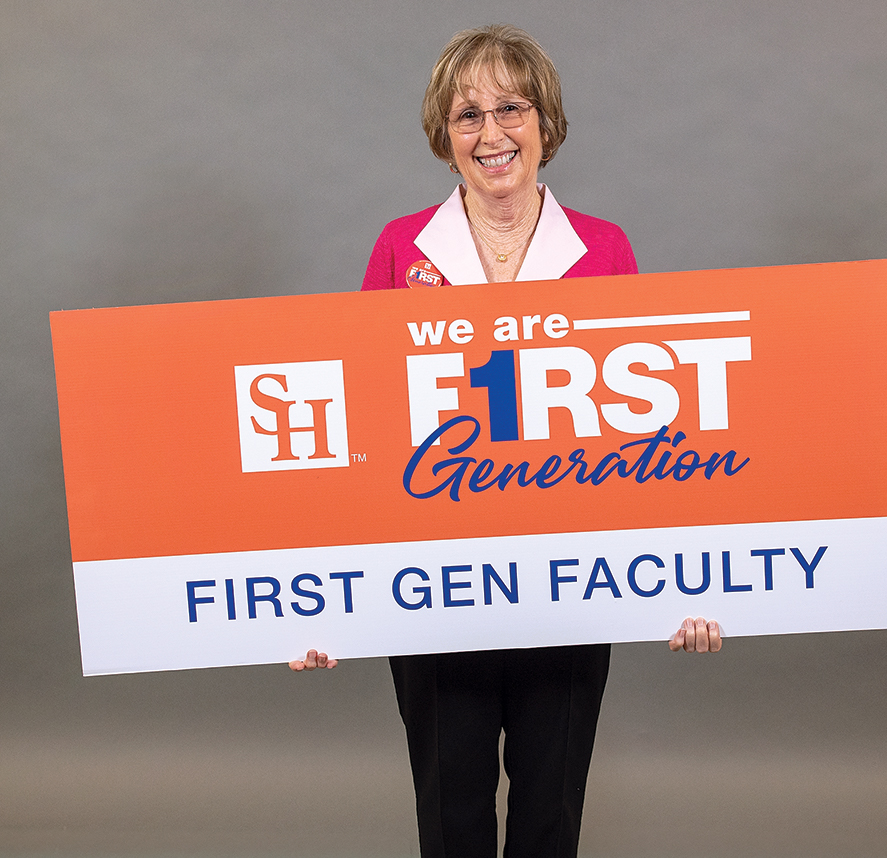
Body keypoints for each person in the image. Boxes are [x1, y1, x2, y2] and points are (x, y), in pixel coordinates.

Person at [291, 24, 722, 858]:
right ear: (443, 137)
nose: (491, 133)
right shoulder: (399, 249)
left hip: (567, 578)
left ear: (545, 124)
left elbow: (650, 433)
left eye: (511, 109)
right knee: (450, 816)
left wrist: (690, 581)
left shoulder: (603, 251)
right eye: (467, 116)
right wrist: (318, 595)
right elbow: (361, 428)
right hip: (431, 582)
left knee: (549, 816)